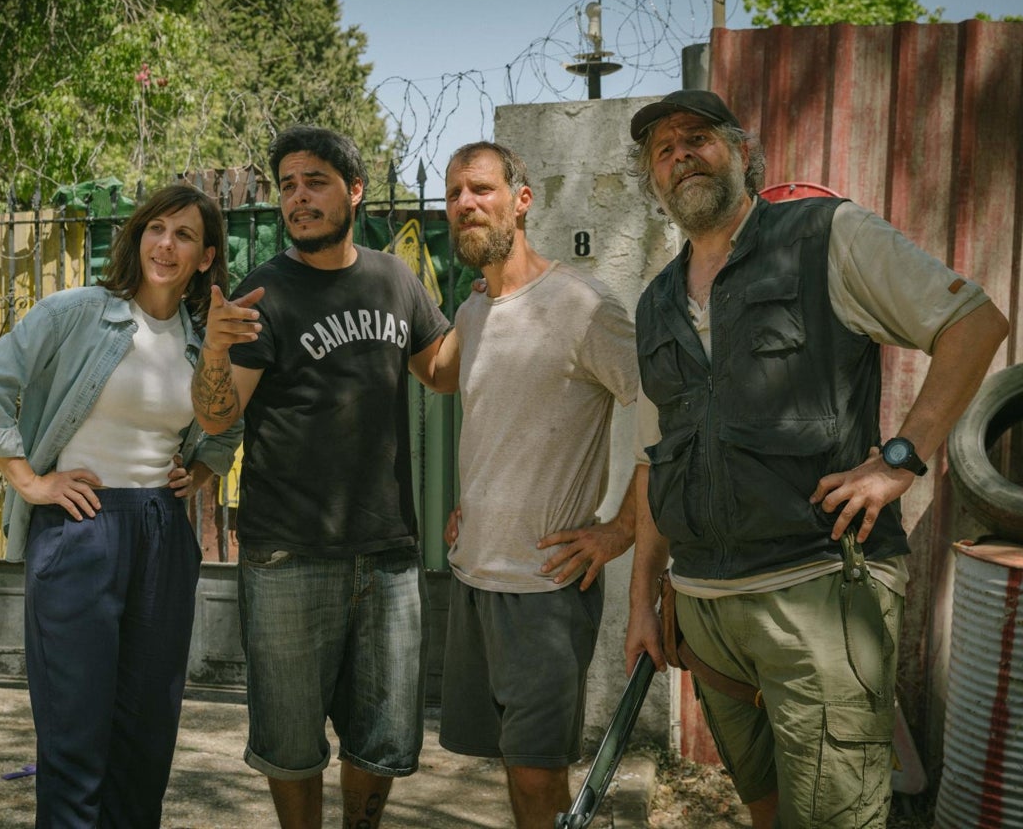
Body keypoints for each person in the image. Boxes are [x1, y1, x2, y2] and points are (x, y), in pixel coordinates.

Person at [623, 89, 1009, 829]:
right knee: (765, 811)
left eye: (697, 138)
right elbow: (654, 460)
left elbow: (973, 322)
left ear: (742, 152)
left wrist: (899, 460)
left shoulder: (826, 235)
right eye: (662, 151)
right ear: (652, 182)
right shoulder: (655, 304)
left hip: (819, 596)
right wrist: (642, 601)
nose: (680, 156)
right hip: (706, 614)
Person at [190, 125, 459, 829]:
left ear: (354, 191)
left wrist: (501, 296)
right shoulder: (262, 292)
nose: (298, 198)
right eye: (287, 186)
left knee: (383, 738)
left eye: (315, 182)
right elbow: (219, 420)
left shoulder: (394, 279)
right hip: (287, 554)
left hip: (388, 554)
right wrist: (215, 351)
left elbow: (442, 370)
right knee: (290, 743)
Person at [0, 184, 241, 829]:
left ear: (205, 257)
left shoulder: (201, 339)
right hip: (80, 527)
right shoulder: (78, 312)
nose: (166, 244)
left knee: (145, 743)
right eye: (156, 228)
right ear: (138, 236)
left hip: (162, 532)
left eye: (185, 235)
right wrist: (29, 481)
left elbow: (224, 424)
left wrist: (199, 470)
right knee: (75, 738)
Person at [438, 141, 640, 829]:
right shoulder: (471, 313)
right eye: (455, 193)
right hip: (475, 575)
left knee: (537, 775)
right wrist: (473, 502)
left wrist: (620, 529)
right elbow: (493, 416)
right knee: (510, 765)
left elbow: (668, 412)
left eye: (482, 189)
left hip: (545, 588)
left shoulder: (582, 303)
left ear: (522, 200)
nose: (466, 204)